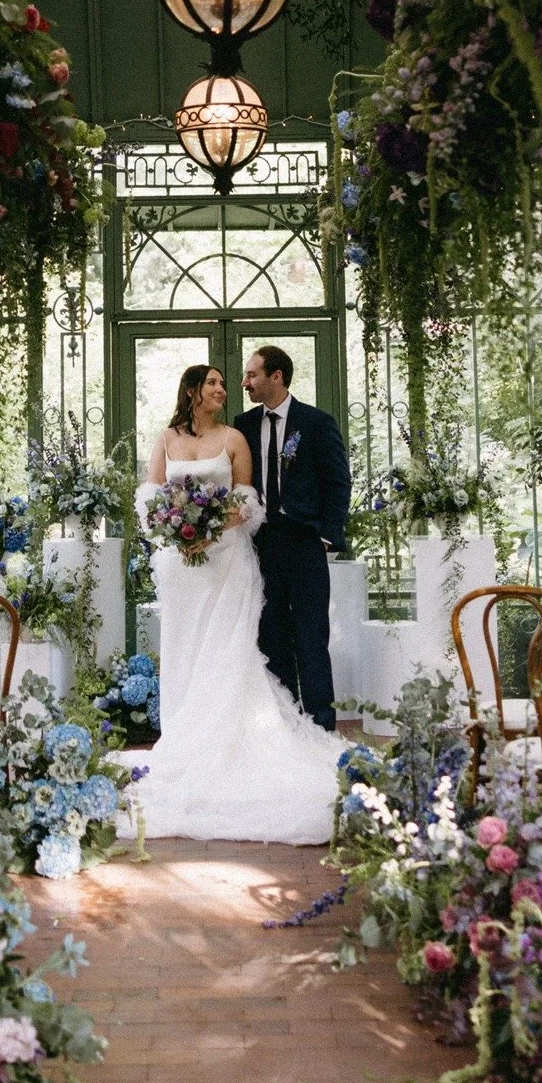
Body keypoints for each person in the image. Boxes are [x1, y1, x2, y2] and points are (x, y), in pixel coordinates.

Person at [130, 361, 342, 843]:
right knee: (188, 647)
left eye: (235, 379)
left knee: (252, 645)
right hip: (182, 567)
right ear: (191, 391)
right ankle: (184, 737)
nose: (229, 388)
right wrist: (175, 531)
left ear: (276, 375)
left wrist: (207, 530)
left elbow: (247, 501)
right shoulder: (166, 438)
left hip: (227, 559)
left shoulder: (236, 437)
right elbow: (150, 498)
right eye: (216, 382)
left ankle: (294, 730)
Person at [236, 346, 351, 732]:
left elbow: (338, 481)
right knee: (272, 635)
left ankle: (321, 726)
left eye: (252, 375)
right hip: (261, 544)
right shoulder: (244, 425)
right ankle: (284, 725)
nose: (245, 383)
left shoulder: (316, 422)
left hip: (304, 542)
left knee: (311, 637)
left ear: (277, 377)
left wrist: (327, 537)